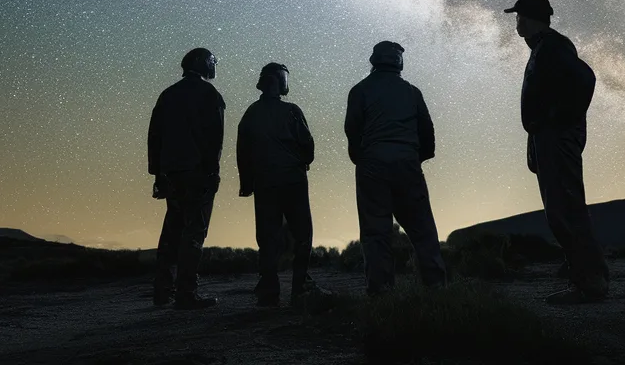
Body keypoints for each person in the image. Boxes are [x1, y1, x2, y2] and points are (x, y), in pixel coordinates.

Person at [504, 0, 609, 304]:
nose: (517, 22)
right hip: (549, 137)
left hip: (557, 137)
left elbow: (584, 78)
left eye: (520, 16)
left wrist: (556, 121)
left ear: (531, 17)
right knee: (561, 208)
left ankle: (589, 283)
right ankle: (583, 273)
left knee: (566, 210)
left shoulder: (553, 46)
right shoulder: (544, 48)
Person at [344, 41, 447, 295]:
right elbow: (427, 132)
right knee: (423, 229)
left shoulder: (360, 90)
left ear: (374, 60)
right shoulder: (412, 92)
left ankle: (381, 294)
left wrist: (362, 158)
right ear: (399, 61)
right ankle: (436, 289)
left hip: (372, 165)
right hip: (407, 165)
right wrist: (415, 157)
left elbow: (352, 129)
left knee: (376, 232)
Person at [236, 62, 329, 307]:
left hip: (264, 183)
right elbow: (308, 147)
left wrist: (246, 183)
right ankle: (300, 287)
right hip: (293, 181)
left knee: (267, 236)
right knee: (302, 234)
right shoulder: (292, 111)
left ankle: (268, 289)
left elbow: (242, 151)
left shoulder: (251, 113)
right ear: (280, 81)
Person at [147, 47, 225, 309]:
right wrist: (213, 171)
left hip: (172, 174)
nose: (215, 65)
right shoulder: (209, 94)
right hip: (197, 173)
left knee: (172, 231)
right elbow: (215, 139)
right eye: (213, 61)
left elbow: (154, 137)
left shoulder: (168, 95)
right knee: (194, 232)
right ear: (203, 63)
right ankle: (186, 293)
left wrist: (157, 173)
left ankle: (162, 292)